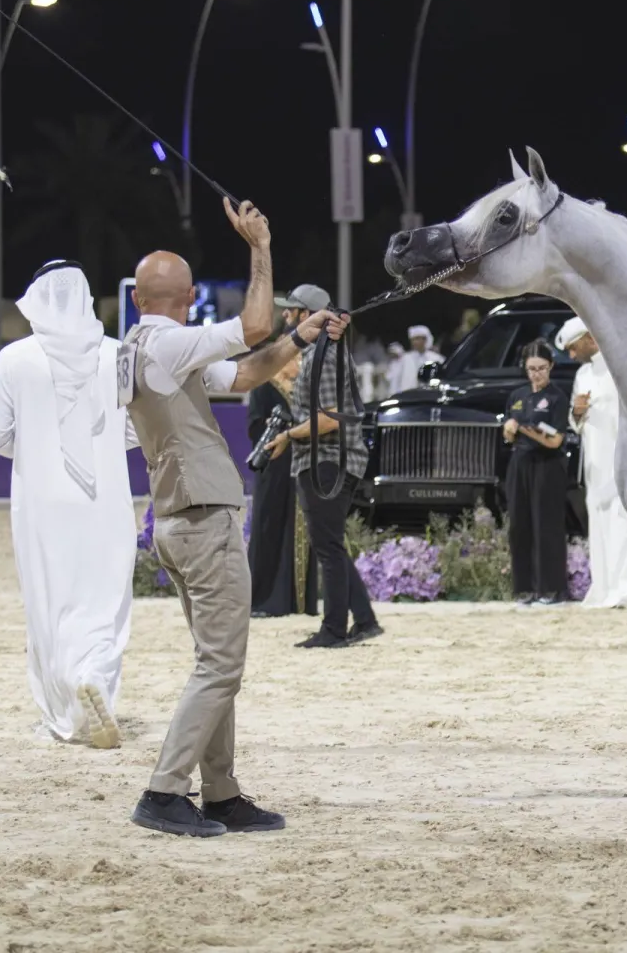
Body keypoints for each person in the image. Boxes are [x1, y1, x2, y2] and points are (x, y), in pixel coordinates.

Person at [121, 197, 349, 837]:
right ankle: (164, 791)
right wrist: (260, 248)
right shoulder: (172, 342)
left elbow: (245, 373)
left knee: (211, 662)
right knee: (221, 667)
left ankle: (220, 793)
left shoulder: (140, 346)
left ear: (137, 298)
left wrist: (297, 338)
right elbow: (251, 327)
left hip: (175, 517)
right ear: (188, 296)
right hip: (203, 518)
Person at [0, 261, 136, 749]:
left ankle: (66, 708)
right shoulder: (119, 355)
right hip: (106, 495)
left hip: (41, 500)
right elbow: (137, 429)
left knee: (51, 596)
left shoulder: (14, 358)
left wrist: (35, 448)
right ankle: (93, 677)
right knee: (105, 595)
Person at [265, 283, 382, 649]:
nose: (286, 315)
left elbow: (330, 419)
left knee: (327, 547)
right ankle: (364, 620)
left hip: (327, 460)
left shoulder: (322, 355)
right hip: (329, 459)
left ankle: (333, 630)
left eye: (292, 310)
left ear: (310, 315)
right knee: (331, 543)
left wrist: (289, 436)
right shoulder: (323, 352)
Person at [555, 317, 627, 608]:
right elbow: (575, 419)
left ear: (590, 339)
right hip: (595, 462)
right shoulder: (582, 375)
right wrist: (577, 414)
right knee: (602, 522)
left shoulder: (623, 368)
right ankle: (607, 586)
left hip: (625, 459)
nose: (570, 355)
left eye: (573, 347)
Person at [246, 351, 318, 619]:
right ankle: (264, 599)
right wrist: (273, 429)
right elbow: (254, 425)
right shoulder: (263, 388)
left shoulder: (304, 389)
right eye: (294, 359)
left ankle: (299, 602)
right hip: (273, 470)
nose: (298, 364)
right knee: (269, 527)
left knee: (299, 529)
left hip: (300, 465)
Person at [502, 340, 570, 605]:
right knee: (520, 526)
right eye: (531, 369)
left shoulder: (557, 398)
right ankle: (525, 589)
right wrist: (510, 431)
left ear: (551, 366)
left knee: (547, 526)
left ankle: (551, 589)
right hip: (519, 463)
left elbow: (555, 440)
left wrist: (526, 428)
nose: (536, 374)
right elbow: (510, 434)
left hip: (547, 465)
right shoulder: (517, 397)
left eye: (541, 368)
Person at [387, 324, 443, 394]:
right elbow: (395, 379)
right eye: (413, 339)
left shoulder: (437, 358)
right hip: (407, 396)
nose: (415, 342)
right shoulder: (404, 358)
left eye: (417, 339)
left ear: (424, 339)